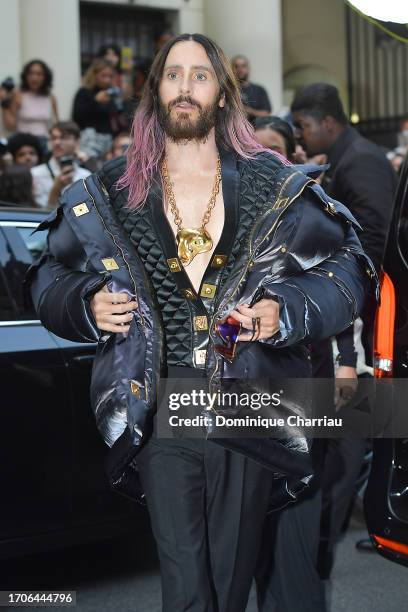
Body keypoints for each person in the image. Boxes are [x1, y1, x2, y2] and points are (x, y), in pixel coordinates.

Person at [27, 35, 374, 612]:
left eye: (200, 76)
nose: (185, 86)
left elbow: (347, 268)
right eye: (173, 75)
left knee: (229, 579)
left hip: (247, 402)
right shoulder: (111, 190)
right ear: (156, 91)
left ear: (220, 94)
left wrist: (283, 310)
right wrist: (85, 301)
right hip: (161, 402)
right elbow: (46, 273)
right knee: (186, 585)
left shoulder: (275, 184)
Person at [291, 82, 396, 578]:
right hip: (350, 324)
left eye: (304, 126)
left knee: (357, 438)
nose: (301, 135)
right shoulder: (346, 159)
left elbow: (374, 234)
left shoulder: (360, 161)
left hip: (367, 318)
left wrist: (348, 288)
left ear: (327, 122)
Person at [254, 118, 328, 612]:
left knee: (296, 541)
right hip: (238, 406)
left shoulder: (316, 214)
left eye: (275, 150)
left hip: (303, 395)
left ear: (295, 153)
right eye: (253, 151)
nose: (265, 161)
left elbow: (344, 297)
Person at [1, 60, 58, 153]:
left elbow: (56, 124)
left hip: (44, 142)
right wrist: (4, 103)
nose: (34, 77)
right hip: (23, 143)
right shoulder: (18, 95)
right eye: (31, 73)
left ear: (45, 77)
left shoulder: (50, 97)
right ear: (25, 76)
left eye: (39, 74)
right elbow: (10, 126)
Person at [31, 121, 90, 208]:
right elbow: (38, 214)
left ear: (77, 142)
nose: (57, 142)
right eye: (53, 138)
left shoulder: (86, 176)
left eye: (64, 138)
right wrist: (56, 189)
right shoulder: (35, 174)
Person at [72, 58, 124, 158]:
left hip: (109, 140)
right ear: (94, 75)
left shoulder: (111, 94)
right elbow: (77, 117)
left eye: (110, 76)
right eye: (103, 76)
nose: (107, 80)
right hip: (89, 140)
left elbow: (117, 118)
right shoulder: (84, 92)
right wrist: (95, 102)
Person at [231, 54, 271, 123]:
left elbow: (266, 113)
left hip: (256, 129)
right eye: (236, 66)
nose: (240, 69)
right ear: (231, 69)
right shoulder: (227, 90)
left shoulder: (259, 90)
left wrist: (249, 111)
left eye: (243, 66)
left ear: (248, 68)